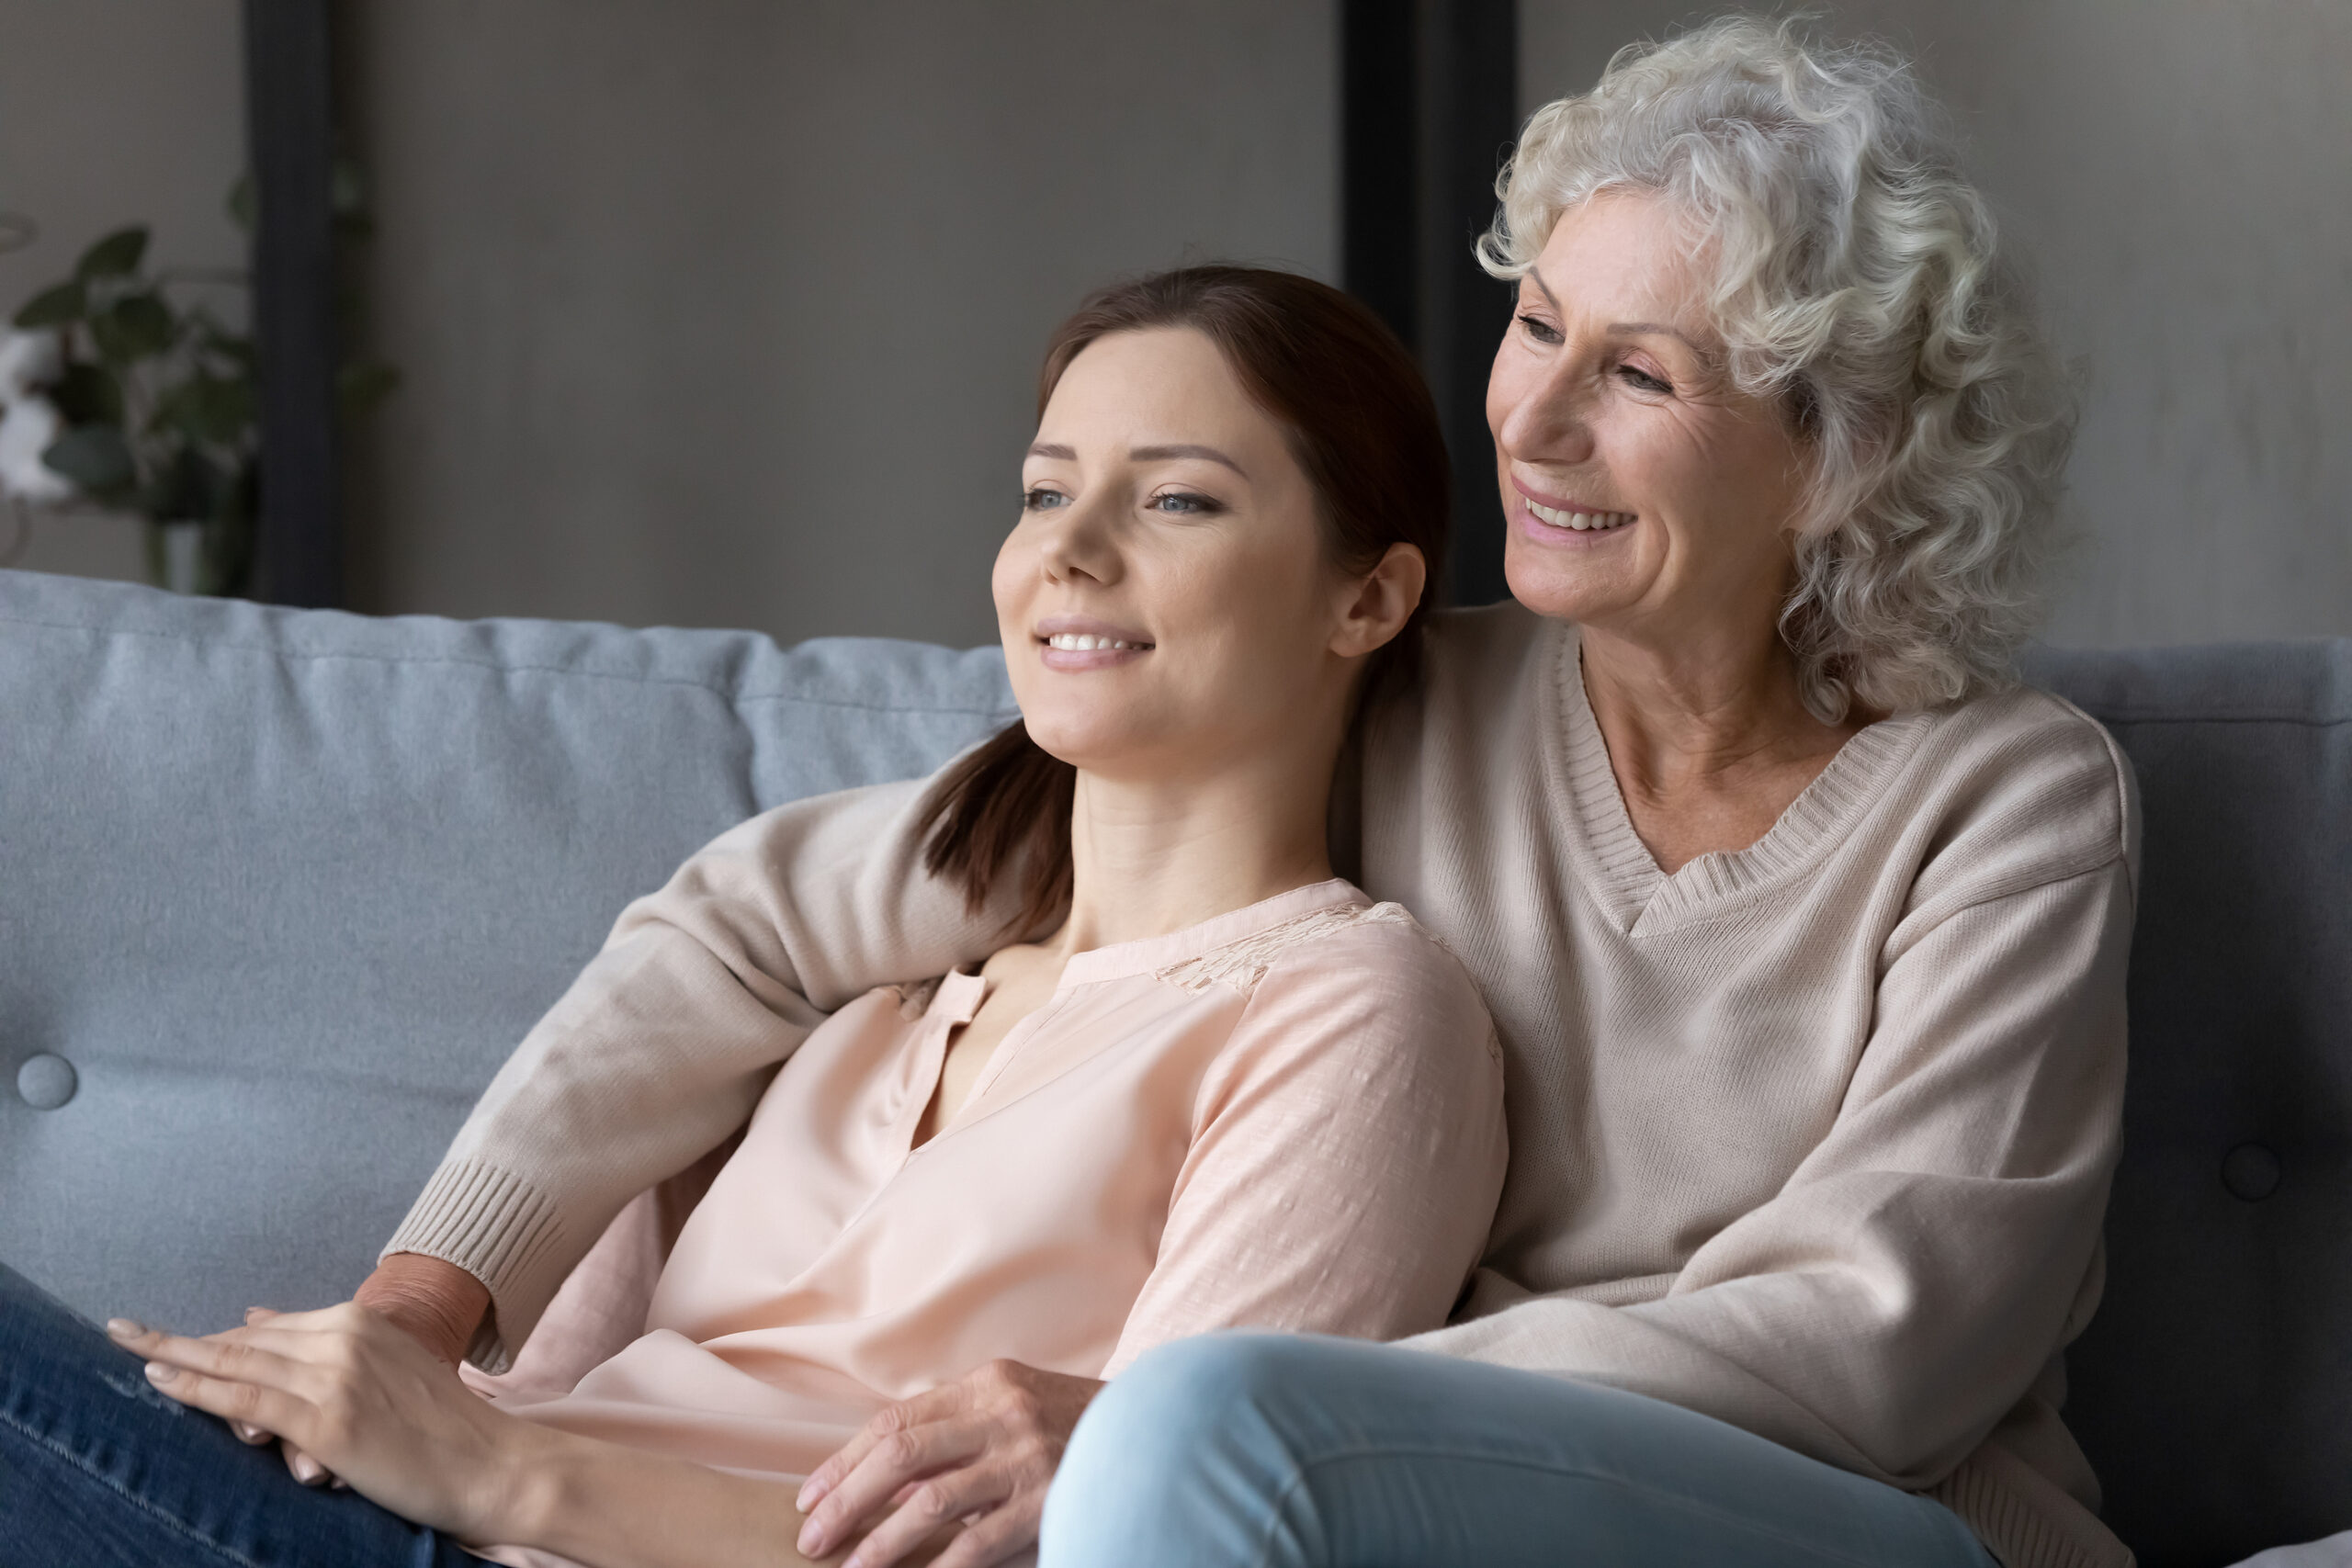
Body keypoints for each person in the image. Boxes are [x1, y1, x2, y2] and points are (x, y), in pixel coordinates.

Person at [251, 16, 2132, 1567]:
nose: (1532, 422)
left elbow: (1881, 1327)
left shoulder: (2005, 804)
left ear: (1831, 454)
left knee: (1193, 1418)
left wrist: (1302, 1398)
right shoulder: (1402, 687)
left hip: (1851, 1516)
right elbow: (765, 912)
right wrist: (439, 1298)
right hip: (1389, 1484)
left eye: (1633, 372)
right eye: (1536, 324)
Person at [0, 267, 1510, 1568]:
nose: (1070, 547)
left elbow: (1171, 1528)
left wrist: (484, 1471)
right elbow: (550, 1384)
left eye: (1176, 498)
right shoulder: (866, 996)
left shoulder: (1352, 1012)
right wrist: (384, 1420)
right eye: (1047, 489)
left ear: (1366, 601)